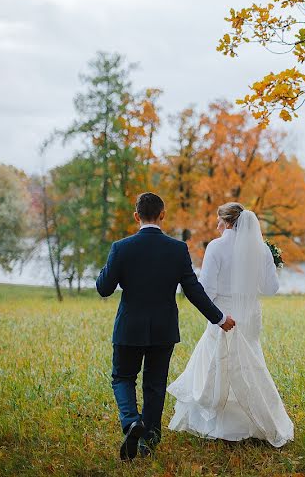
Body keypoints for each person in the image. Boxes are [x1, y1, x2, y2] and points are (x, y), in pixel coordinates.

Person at [96, 192, 236, 460]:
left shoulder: (121, 248)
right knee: (155, 383)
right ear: (162, 215)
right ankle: (149, 440)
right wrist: (219, 318)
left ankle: (131, 422)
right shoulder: (177, 249)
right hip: (163, 328)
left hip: (129, 327)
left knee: (123, 377)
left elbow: (104, 288)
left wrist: (110, 264)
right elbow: (193, 290)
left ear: (137, 216)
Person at [168, 202, 294, 446]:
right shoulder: (262, 250)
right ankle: (254, 420)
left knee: (218, 362)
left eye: (218, 221)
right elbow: (270, 289)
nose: (216, 226)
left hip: (223, 315)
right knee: (250, 363)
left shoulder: (216, 247)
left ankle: (217, 422)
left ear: (226, 222)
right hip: (249, 315)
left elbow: (206, 290)